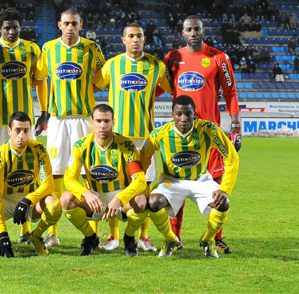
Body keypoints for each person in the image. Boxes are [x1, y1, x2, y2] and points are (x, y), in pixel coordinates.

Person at [92, 22, 173, 252]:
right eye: (131, 36)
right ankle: (113, 236)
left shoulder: (156, 66)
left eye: (139, 36)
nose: (135, 39)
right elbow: (93, 85)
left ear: (144, 39)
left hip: (145, 139)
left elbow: (173, 88)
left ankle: (143, 237)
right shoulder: (112, 65)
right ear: (123, 40)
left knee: (145, 188)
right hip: (117, 138)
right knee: (115, 185)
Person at [164, 15, 241, 254]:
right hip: (181, 133)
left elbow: (230, 92)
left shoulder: (219, 58)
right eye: (189, 29)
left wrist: (236, 125)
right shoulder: (172, 58)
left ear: (203, 31)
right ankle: (175, 238)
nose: (193, 33)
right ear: (183, 33)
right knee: (178, 181)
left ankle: (215, 238)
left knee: (216, 183)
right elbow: (161, 86)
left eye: (197, 29)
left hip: (209, 134)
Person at [33, 8, 105, 247]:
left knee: (88, 173)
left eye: (74, 23)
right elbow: (39, 77)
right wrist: (44, 111)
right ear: (59, 25)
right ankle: (53, 233)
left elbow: (102, 78)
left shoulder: (91, 48)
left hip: (84, 119)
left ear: (81, 25)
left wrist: (84, 90)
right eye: (67, 23)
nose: (70, 27)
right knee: (55, 174)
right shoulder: (48, 49)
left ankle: (92, 234)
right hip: (58, 120)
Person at [0, 7, 49, 243]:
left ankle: (25, 230)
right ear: (0, 28)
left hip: (25, 123)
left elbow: (40, 81)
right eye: (7, 28)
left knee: (27, 173)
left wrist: (44, 111)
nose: (11, 31)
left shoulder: (32, 49)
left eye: (15, 27)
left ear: (21, 28)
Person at [141, 95, 239, 258]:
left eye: (188, 114)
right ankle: (170, 239)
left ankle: (208, 239)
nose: (183, 118)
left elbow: (232, 158)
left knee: (223, 203)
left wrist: (225, 189)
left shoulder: (208, 129)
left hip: (201, 180)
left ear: (194, 114)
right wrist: (138, 185)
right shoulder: (160, 134)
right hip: (172, 181)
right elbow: (143, 159)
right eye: (179, 114)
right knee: (153, 202)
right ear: (172, 115)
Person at [0, 111, 62, 257]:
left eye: (26, 131)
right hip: (5, 201)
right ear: (9, 131)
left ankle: (36, 236)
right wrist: (2, 232)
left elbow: (48, 184)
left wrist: (28, 200)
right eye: (17, 130)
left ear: (30, 130)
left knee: (54, 205)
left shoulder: (39, 150)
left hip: (30, 201)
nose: (21, 135)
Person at [60, 104, 148, 256]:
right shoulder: (80, 146)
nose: (103, 125)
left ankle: (129, 238)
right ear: (92, 122)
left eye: (106, 121)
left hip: (120, 198)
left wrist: (119, 198)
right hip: (94, 198)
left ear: (113, 122)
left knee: (141, 201)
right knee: (66, 199)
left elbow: (140, 180)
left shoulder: (126, 145)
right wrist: (86, 193)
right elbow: (69, 179)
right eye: (99, 121)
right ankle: (90, 238)